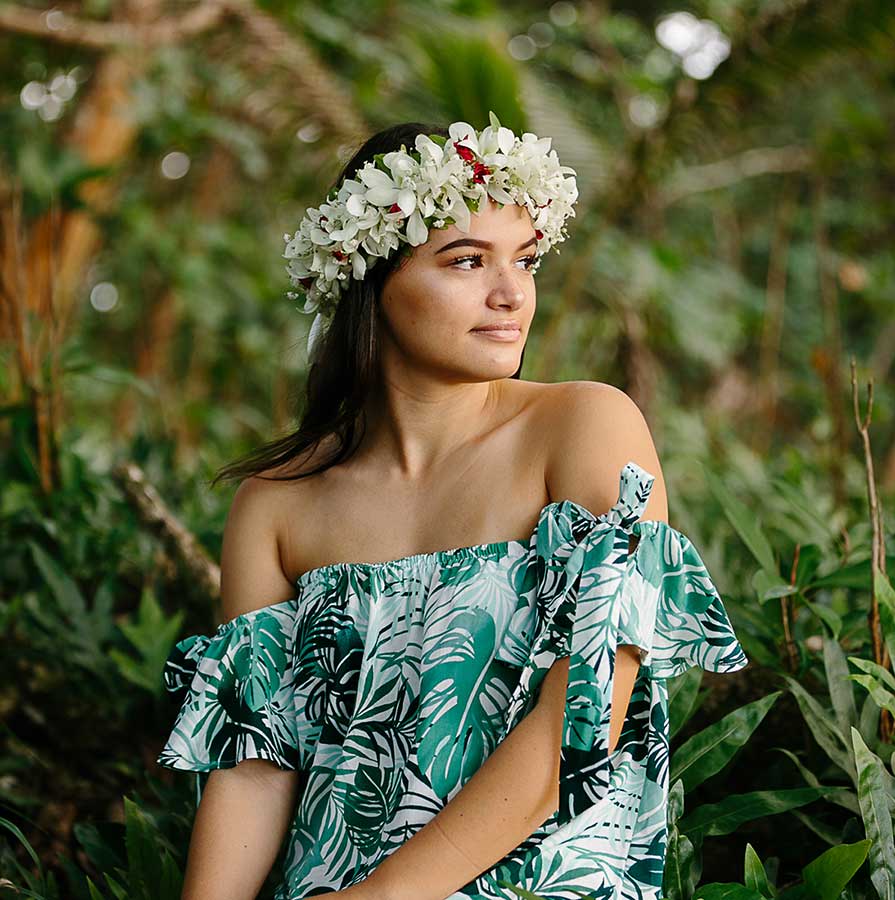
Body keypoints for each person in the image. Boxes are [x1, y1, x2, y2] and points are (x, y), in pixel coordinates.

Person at [157, 114, 749, 900]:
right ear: (368, 278)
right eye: (467, 260)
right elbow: (257, 772)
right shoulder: (276, 505)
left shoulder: (584, 428)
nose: (511, 295)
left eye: (526, 260)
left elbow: (584, 714)